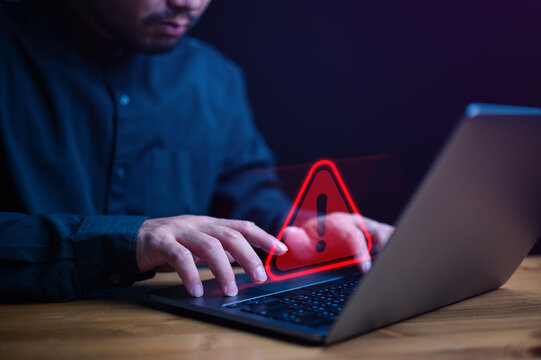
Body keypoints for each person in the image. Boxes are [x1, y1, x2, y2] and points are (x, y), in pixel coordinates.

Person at [0, 0, 394, 302]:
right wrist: (128, 240)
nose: (188, 3)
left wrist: (306, 234)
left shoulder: (215, 77)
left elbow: (249, 204)